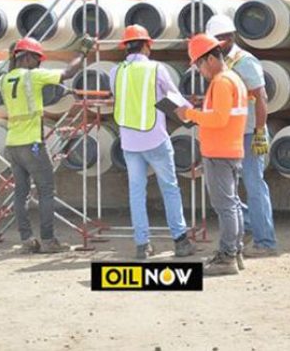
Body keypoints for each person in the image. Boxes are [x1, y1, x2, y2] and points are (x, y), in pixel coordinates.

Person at [110, 25, 196, 260]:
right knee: (169, 188)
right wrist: (194, 113)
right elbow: (174, 97)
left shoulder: (115, 72)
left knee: (136, 192)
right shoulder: (156, 69)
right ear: (147, 45)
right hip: (155, 138)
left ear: (125, 47)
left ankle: (142, 245)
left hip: (129, 142)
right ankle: (180, 241)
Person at [0, 36, 91, 254]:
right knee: (46, 190)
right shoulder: (33, 76)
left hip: (12, 143)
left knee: (20, 193)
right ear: (28, 57)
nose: (39, 63)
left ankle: (26, 239)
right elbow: (67, 73)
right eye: (38, 59)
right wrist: (83, 52)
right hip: (32, 144)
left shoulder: (3, 80)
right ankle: (49, 240)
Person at [205, 15, 278, 257]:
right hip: (233, 134)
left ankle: (265, 241)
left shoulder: (245, 62)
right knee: (229, 190)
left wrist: (259, 131)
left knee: (254, 186)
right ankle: (247, 226)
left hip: (249, 134)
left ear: (224, 39)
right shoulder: (220, 63)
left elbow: (261, 97)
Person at [176, 34, 248, 276]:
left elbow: (218, 119)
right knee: (233, 204)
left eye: (198, 64)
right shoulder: (233, 79)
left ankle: (227, 256)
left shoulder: (221, 82)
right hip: (230, 149)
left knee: (225, 206)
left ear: (209, 59)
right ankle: (234, 253)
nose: (199, 71)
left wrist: (189, 114)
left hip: (219, 152)